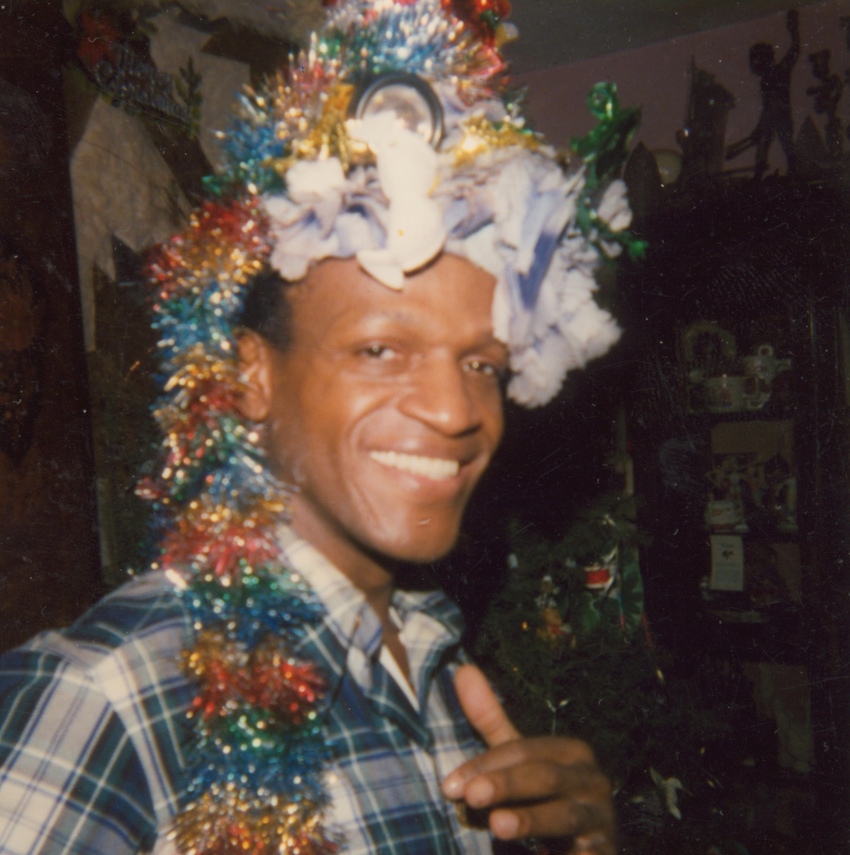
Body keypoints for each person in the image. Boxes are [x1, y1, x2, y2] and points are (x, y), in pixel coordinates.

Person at [0, 1, 637, 853]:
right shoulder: (111, 697)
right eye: (380, 349)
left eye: (483, 363)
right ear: (252, 376)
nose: (456, 411)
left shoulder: (440, 673)